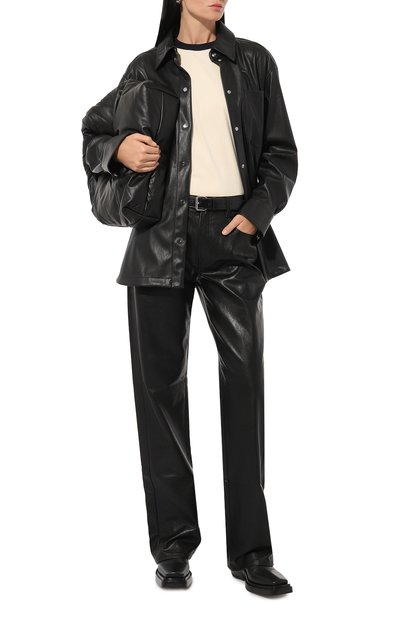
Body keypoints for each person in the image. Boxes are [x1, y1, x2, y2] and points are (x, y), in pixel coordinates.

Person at [81, 0, 298, 598]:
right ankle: (173, 547)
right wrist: (118, 148)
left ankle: (252, 554)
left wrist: (255, 215)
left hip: (233, 237)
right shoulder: (145, 69)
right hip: (160, 239)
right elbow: (92, 131)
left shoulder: (253, 62)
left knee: (245, 387)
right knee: (159, 393)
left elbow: (281, 153)